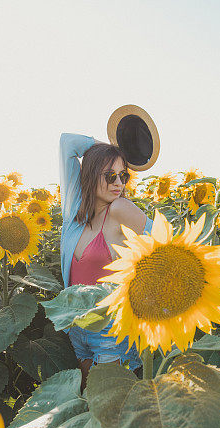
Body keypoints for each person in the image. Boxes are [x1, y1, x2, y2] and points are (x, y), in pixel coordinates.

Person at [59, 132, 153, 391]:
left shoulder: (120, 210)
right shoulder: (74, 213)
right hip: (77, 328)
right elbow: (67, 142)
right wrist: (110, 148)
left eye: (124, 175)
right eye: (109, 175)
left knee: (111, 410)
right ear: (90, 175)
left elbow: (167, 245)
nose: (118, 183)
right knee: (91, 410)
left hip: (111, 331)